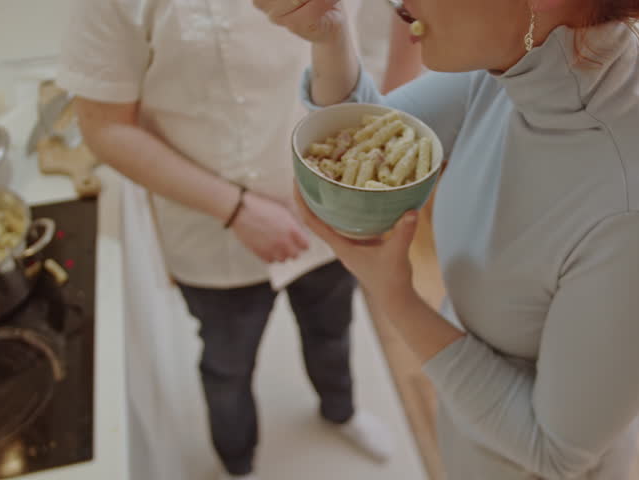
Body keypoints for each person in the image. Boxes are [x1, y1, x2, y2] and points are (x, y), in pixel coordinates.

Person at [254, 0, 639, 479]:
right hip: (469, 433)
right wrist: (330, 37)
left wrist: (396, 298)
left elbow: (555, 453)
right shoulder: (511, 66)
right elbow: (369, 145)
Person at [56, 1, 410, 478]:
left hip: (323, 200)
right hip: (210, 225)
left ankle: (340, 410)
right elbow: (104, 126)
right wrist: (235, 207)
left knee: (331, 330)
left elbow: (388, 33)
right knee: (228, 364)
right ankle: (237, 462)